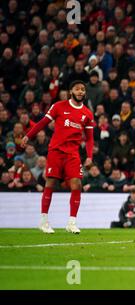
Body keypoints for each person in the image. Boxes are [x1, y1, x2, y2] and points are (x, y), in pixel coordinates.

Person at [21, 80, 95, 234]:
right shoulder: (59, 106)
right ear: (71, 92)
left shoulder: (87, 113)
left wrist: (89, 156)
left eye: (83, 89)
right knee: (51, 183)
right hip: (56, 151)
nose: (80, 91)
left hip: (73, 154)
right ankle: (43, 221)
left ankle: (71, 222)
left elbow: (89, 138)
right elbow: (42, 123)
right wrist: (28, 136)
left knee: (77, 184)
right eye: (77, 89)